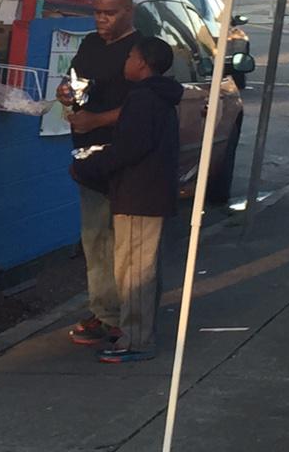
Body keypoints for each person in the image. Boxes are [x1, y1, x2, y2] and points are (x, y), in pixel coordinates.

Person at [72, 37, 182, 363]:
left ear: (143, 64)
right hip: (149, 193)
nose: (126, 62)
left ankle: (135, 340)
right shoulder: (158, 97)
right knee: (143, 268)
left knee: (134, 272)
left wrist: (89, 165)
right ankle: (137, 332)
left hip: (138, 196)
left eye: (131, 57)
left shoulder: (143, 101)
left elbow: (129, 149)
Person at [57, 0, 141, 346]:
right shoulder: (90, 44)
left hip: (125, 155)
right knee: (95, 237)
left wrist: (97, 119)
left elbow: (146, 107)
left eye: (110, 13)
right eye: (97, 12)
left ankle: (130, 318)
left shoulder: (141, 51)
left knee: (127, 243)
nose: (101, 20)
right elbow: (78, 80)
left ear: (128, 11)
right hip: (88, 155)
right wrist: (67, 92)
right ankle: (104, 311)